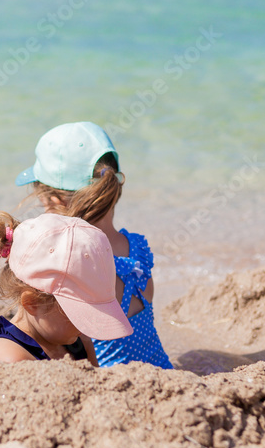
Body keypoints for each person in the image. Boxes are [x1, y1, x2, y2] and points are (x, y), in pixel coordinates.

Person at [15, 121, 173, 369]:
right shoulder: (137, 248)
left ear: (55, 202)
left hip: (111, 382)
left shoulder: (71, 266)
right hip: (162, 371)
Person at [0, 211, 132, 364]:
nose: (86, 326)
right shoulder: (11, 358)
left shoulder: (77, 340)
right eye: (79, 315)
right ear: (32, 303)